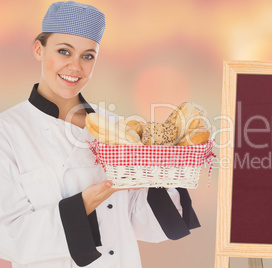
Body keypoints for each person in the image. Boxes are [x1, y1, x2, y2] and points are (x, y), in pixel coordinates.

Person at [0, 1, 199, 267]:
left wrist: (163, 174)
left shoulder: (118, 127)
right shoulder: (8, 132)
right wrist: (82, 206)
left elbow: (141, 223)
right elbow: (9, 239)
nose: (75, 67)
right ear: (39, 49)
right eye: (64, 51)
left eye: (88, 55)